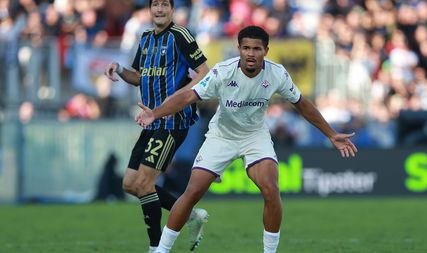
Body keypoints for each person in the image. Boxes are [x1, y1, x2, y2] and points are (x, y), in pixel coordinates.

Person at [135, 25, 358, 253]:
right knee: (193, 192)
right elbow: (188, 97)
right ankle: (162, 251)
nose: (251, 53)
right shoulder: (222, 72)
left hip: (254, 136)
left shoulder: (277, 73)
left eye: (257, 49)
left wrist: (331, 134)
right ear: (239, 49)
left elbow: (301, 103)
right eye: (246, 48)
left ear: (266, 51)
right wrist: (155, 113)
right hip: (221, 136)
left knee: (271, 189)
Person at [104, 0, 210, 252]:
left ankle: (156, 247)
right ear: (150, 10)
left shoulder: (180, 35)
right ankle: (190, 215)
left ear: (172, 9)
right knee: (130, 183)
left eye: (165, 4)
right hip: (152, 121)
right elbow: (139, 76)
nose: (160, 9)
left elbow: (205, 72)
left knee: (143, 184)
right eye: (155, 5)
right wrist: (119, 69)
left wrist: (179, 98)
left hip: (173, 120)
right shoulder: (146, 38)